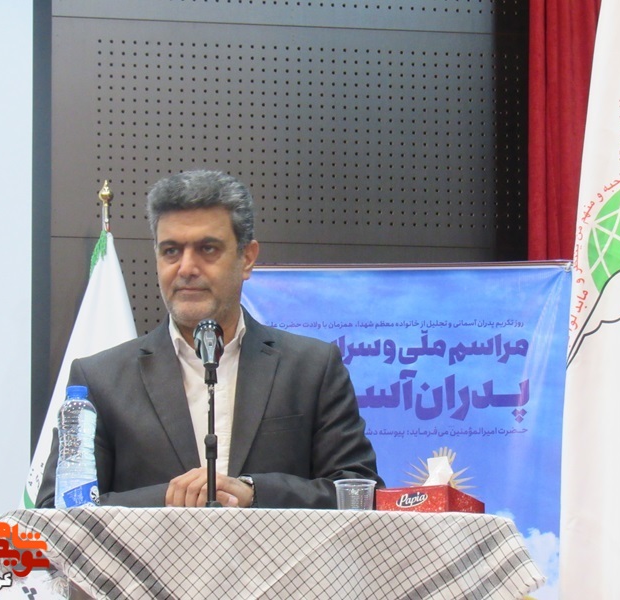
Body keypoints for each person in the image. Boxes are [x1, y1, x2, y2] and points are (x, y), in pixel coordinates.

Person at [36, 169, 383, 509]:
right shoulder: (100, 379)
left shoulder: (312, 368)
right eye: (171, 251)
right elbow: (57, 510)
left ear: (247, 258)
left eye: (207, 249)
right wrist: (168, 499)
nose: (187, 268)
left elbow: (359, 493)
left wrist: (254, 492)